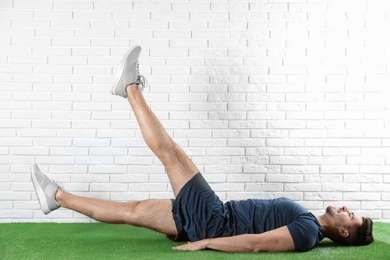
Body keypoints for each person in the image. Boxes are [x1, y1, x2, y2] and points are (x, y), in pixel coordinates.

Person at [31, 46, 374, 252]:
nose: (346, 208)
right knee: (131, 211)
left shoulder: (308, 231)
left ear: (343, 231)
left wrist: (207, 241)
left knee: (172, 153)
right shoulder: (308, 221)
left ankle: (130, 88)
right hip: (210, 219)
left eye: (350, 214)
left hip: (214, 220)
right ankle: (56, 197)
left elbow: (258, 244)